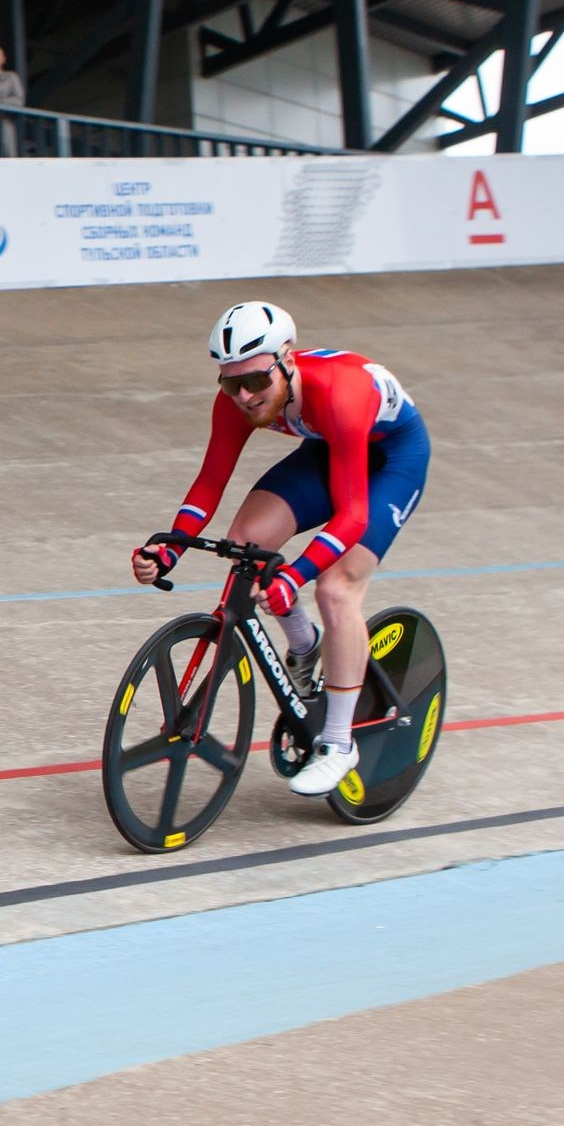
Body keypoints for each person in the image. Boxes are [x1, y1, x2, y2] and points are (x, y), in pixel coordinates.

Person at [131, 302, 430, 800]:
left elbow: (352, 516)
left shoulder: (338, 393)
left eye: (255, 381)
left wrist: (298, 574)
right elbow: (209, 483)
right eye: (231, 384)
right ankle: (304, 643)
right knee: (246, 544)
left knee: (336, 588)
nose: (245, 397)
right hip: (329, 450)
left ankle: (338, 744)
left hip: (391, 460)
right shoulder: (236, 399)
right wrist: (171, 548)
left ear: (286, 359)